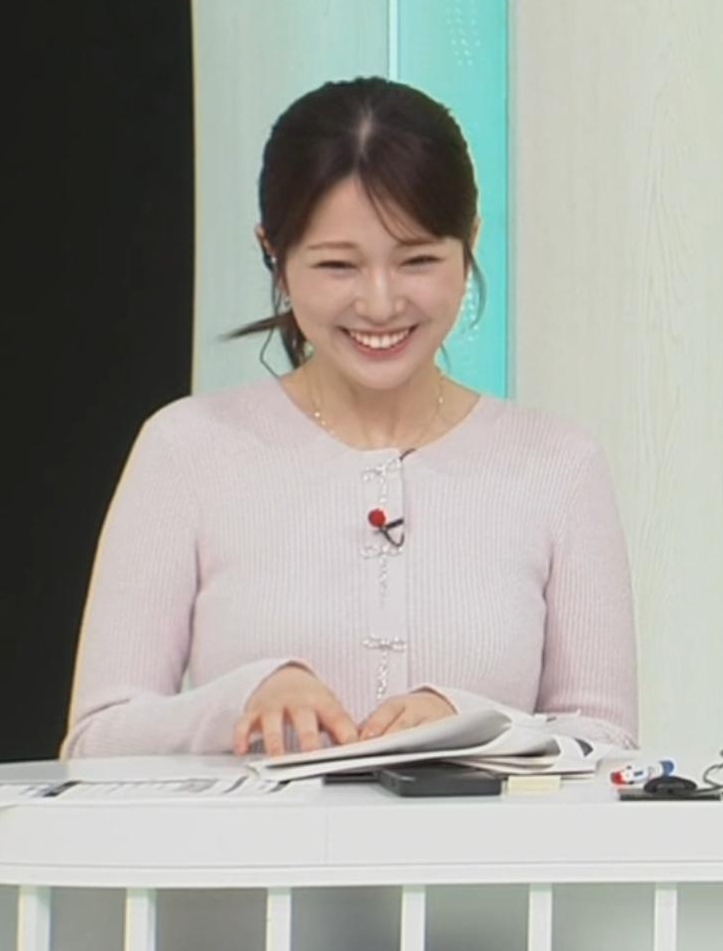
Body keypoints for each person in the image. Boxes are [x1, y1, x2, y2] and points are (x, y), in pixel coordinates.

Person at [61, 76, 638, 759]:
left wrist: (470, 721)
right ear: (273, 254)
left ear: (470, 243)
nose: (380, 303)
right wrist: (245, 700)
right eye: (338, 265)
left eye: (417, 260)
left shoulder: (558, 464)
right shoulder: (186, 449)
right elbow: (94, 741)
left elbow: (608, 743)